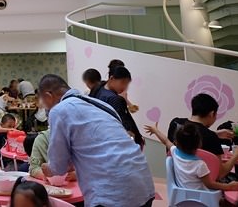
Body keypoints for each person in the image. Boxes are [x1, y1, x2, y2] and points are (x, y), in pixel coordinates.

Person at [38, 74, 155, 207]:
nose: (46, 107)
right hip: (143, 184)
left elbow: (58, 167)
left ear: (48, 95)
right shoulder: (101, 105)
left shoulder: (59, 110)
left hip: (112, 193)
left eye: (44, 102)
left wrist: (50, 168)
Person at [161, 93, 238, 179]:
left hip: (177, 180)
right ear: (212, 114)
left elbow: (190, 136)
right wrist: (235, 157)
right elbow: (220, 174)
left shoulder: (175, 123)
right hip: (202, 185)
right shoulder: (210, 137)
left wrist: (215, 133)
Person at [145, 121, 238, 193]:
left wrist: (155, 130)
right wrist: (229, 186)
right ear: (199, 144)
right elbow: (210, 184)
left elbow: (165, 141)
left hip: (181, 194)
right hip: (200, 197)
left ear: (177, 142)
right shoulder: (200, 165)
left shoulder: (175, 152)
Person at [91, 66, 144, 147]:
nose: (125, 87)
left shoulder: (98, 89)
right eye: (123, 82)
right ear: (112, 78)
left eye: (127, 84)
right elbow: (122, 124)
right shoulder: (114, 99)